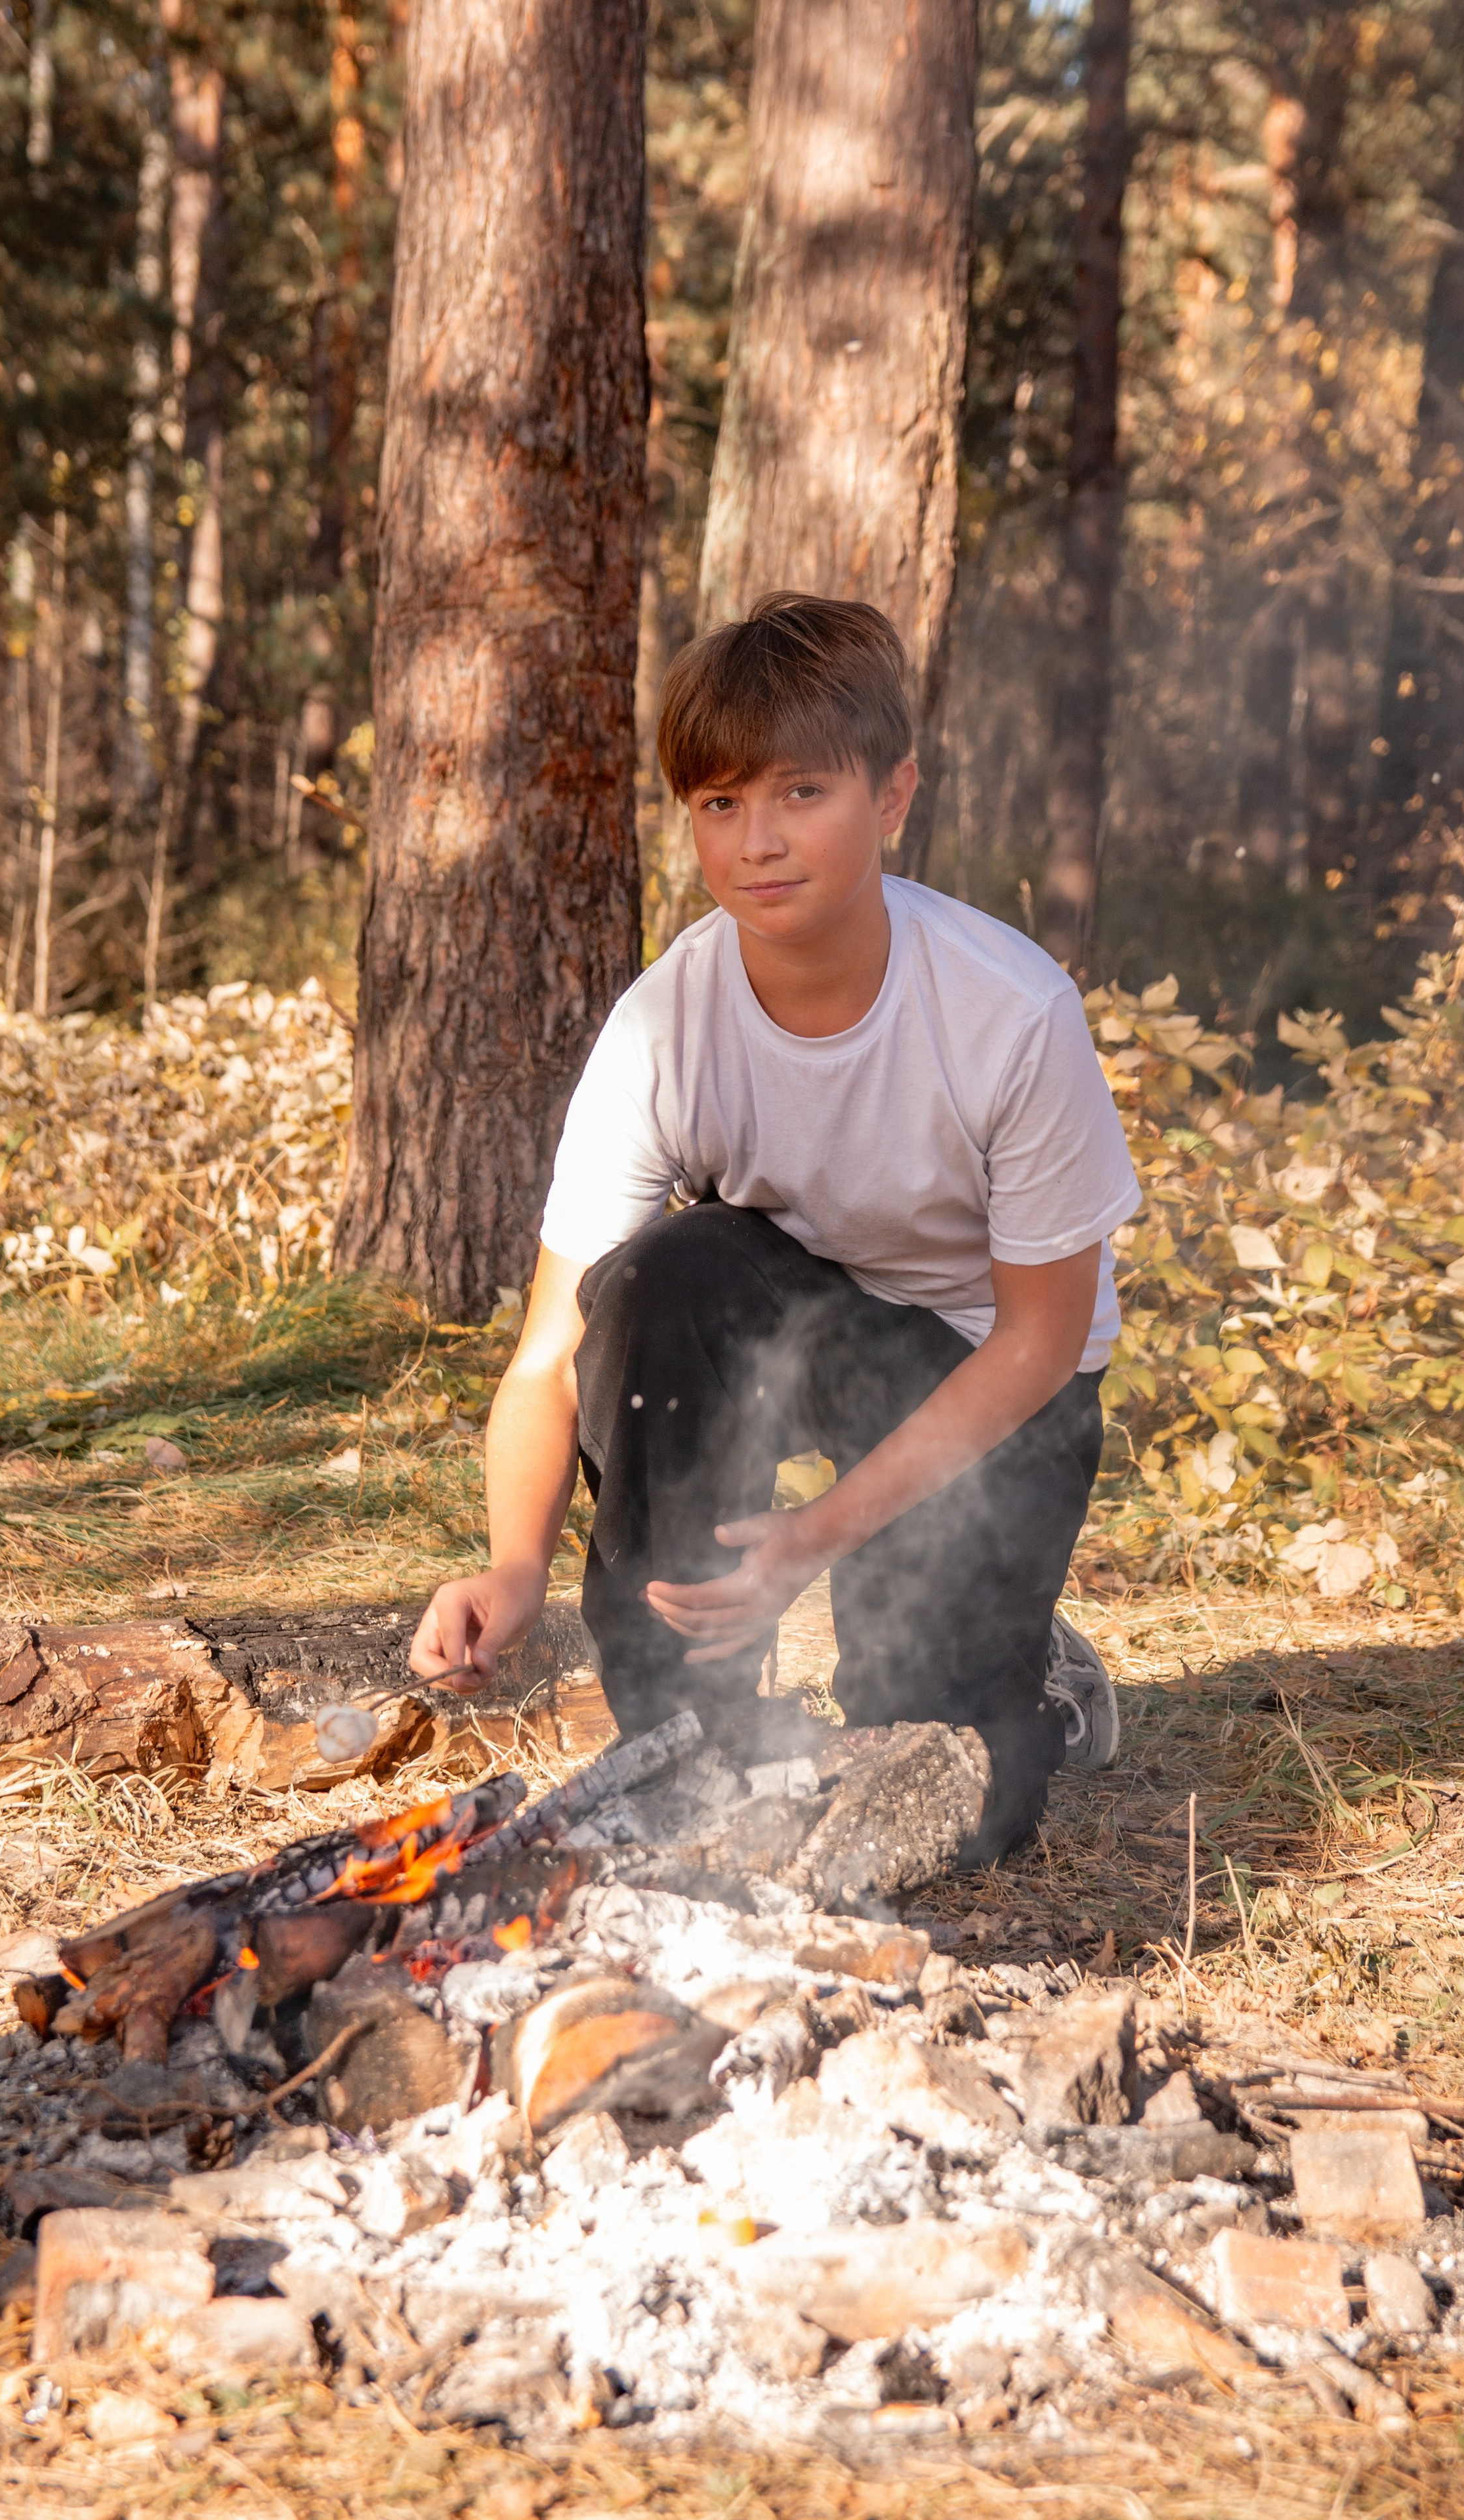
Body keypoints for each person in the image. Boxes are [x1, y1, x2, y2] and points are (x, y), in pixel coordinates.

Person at [410, 591, 1140, 1862]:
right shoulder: (661, 1026)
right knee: (662, 1276)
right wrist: (509, 1568)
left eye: (801, 793)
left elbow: (1036, 1343)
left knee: (939, 1800)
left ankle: (1026, 1676)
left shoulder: (1006, 1011)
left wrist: (814, 1538)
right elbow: (544, 1356)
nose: (757, 841)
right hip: (799, 1334)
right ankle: (681, 1727)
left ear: (892, 798)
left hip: (992, 1395)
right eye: (719, 804)